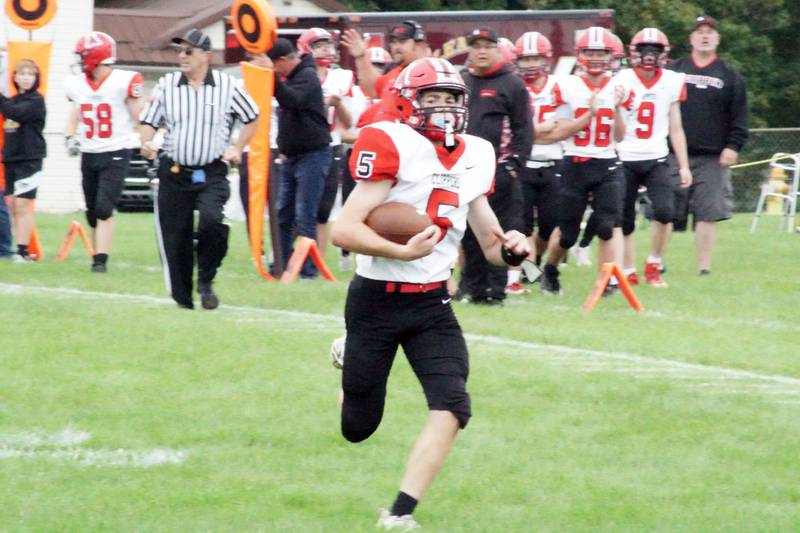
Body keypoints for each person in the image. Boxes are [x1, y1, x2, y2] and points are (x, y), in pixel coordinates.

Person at [329, 57, 530, 530]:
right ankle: (348, 353)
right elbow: (343, 230)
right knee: (357, 428)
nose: (443, 107)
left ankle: (400, 513)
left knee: (454, 405)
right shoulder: (390, 141)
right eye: (431, 98)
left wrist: (515, 250)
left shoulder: (477, 153)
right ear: (407, 102)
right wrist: (394, 251)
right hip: (376, 300)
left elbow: (490, 246)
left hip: (431, 303)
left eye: (451, 98)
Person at [140, 29, 259, 309]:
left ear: (206, 55)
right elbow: (149, 121)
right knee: (176, 236)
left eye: (189, 51)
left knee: (211, 222)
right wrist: (145, 141)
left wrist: (238, 147)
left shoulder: (226, 86)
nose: (182, 56)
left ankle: (206, 279)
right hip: (175, 172)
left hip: (212, 171)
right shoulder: (167, 85)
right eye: (180, 51)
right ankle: (184, 301)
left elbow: (252, 116)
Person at [539, 27, 627, 295]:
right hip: (575, 162)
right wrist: (589, 115)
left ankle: (606, 282)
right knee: (567, 234)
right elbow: (560, 130)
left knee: (606, 226)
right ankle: (550, 269)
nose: (597, 58)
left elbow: (620, 136)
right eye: (591, 52)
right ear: (581, 54)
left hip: (608, 162)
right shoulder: (566, 85)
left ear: (611, 56)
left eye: (602, 53)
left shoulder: (619, 85)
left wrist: (618, 109)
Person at [667, 15, 748, 275]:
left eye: (709, 32)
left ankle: (704, 267)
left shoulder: (729, 74)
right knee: (665, 210)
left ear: (717, 38)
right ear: (691, 38)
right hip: (672, 155)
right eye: (699, 32)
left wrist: (733, 146)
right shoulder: (674, 70)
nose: (704, 36)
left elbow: (740, 115)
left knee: (707, 213)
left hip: (712, 157)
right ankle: (656, 262)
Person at [459, 27, 533, 305]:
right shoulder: (463, 80)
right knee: (468, 232)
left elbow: (524, 128)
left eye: (487, 46)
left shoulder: (511, 84)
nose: (481, 51)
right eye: (475, 45)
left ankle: (496, 289)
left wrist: (515, 165)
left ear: (497, 49)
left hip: (499, 169)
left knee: (499, 231)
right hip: (466, 169)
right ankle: (472, 288)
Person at [616, 28, 692, 287]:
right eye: (645, 49)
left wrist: (684, 165)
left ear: (664, 53)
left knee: (665, 211)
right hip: (624, 155)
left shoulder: (671, 80)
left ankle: (653, 263)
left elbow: (676, 127)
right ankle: (627, 270)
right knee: (624, 219)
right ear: (633, 52)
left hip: (657, 156)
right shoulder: (622, 79)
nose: (650, 55)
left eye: (655, 50)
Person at [64, 31, 142, 273]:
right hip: (90, 151)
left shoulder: (122, 81)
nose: (79, 60)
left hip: (117, 150)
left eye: (83, 56)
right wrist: (70, 136)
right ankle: (97, 254)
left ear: (95, 56)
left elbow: (138, 115)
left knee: (104, 208)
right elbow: (78, 109)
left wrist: (149, 137)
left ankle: (101, 261)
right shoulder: (77, 84)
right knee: (91, 210)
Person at [254, 38, 331, 279]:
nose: (275, 71)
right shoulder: (292, 76)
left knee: (304, 214)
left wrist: (272, 76)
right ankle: (281, 264)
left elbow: (292, 99)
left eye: (276, 66)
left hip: (313, 155)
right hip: (290, 157)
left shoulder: (307, 76)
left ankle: (306, 271)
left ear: (284, 60)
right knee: (282, 214)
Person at [295, 28, 355, 257]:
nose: (325, 50)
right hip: (306, 148)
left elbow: (348, 124)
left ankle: (316, 262)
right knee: (300, 208)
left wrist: (338, 104)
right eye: (318, 45)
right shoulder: (299, 76)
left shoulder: (341, 77)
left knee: (322, 210)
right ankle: (292, 258)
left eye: (326, 45)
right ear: (306, 49)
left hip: (332, 146)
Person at [0, 59, 46, 262]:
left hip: (30, 158)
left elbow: (15, 113)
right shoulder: (13, 100)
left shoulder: (36, 101)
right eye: (22, 74)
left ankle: (23, 249)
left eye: (31, 74)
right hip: (11, 158)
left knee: (23, 204)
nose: (26, 78)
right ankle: (15, 247)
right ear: (15, 77)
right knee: (11, 204)